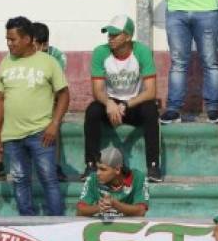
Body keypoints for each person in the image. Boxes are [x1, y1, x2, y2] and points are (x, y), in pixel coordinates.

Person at [0, 16, 68, 216]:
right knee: (20, 181)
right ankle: (28, 225)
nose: (9, 44)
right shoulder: (5, 62)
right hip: (12, 136)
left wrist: (54, 125)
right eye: (7, 39)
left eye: (13, 39)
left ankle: (57, 226)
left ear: (27, 39)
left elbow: (64, 95)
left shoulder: (48, 62)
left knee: (49, 179)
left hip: (41, 134)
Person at [84, 15, 162, 184]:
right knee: (92, 110)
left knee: (151, 109)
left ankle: (154, 166)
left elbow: (151, 92)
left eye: (115, 35)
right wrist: (110, 103)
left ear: (127, 36)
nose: (110, 38)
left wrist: (126, 104)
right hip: (111, 103)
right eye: (109, 34)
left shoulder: (142, 52)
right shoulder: (100, 52)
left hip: (134, 103)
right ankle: (91, 165)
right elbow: (98, 91)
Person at [160, 0, 218, 125]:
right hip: (176, 10)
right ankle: (173, 109)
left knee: (210, 61)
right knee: (178, 62)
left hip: (207, 10)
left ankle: (213, 108)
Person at [31, 21, 68, 183]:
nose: (34, 50)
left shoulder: (57, 57)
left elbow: (57, 88)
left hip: (49, 99)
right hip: (27, 99)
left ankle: (55, 165)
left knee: (55, 120)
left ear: (45, 44)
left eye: (37, 46)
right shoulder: (21, 54)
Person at [76, 147, 149, 218]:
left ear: (117, 169)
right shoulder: (93, 178)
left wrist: (116, 205)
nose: (98, 173)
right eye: (97, 168)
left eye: (103, 169)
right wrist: (99, 208)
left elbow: (141, 211)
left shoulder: (138, 178)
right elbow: (79, 210)